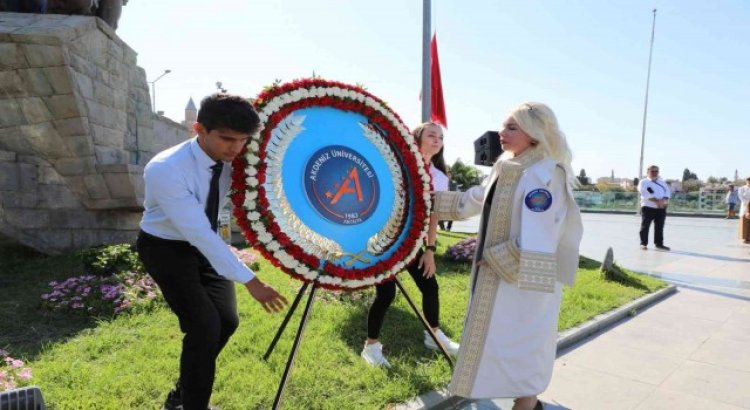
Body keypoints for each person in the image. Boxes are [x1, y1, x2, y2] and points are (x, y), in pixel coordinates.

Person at [136, 93, 289, 410]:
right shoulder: (165, 169)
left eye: (243, 140)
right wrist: (252, 281)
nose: (235, 148)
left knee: (227, 322)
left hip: (207, 247)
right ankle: (193, 404)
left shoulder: (238, 160)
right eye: (227, 139)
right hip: (166, 248)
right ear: (198, 129)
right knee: (204, 326)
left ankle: (183, 390)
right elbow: (197, 233)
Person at [431, 102, 582, 410]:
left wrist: (504, 257)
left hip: (526, 282)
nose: (502, 133)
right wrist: (428, 201)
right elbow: (475, 198)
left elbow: (546, 230)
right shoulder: (507, 166)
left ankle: (526, 402)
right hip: (498, 277)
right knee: (500, 342)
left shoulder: (545, 174)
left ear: (535, 133)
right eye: (503, 126)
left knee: (524, 343)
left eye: (512, 127)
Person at [360, 122, 460, 367]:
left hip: (414, 242)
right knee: (386, 293)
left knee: (430, 286)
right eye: (431, 135)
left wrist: (429, 250)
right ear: (417, 139)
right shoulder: (399, 167)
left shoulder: (439, 177)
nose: (437, 140)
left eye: (440, 137)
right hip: (386, 241)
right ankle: (371, 347)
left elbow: (433, 216)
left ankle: (433, 335)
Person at [637, 165, 671, 251]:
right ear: (648, 172)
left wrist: (664, 200)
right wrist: (657, 201)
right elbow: (644, 193)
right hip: (648, 207)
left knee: (659, 226)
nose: (654, 173)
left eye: (656, 171)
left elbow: (667, 192)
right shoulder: (643, 182)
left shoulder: (662, 182)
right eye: (652, 171)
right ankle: (643, 244)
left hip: (661, 207)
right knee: (645, 226)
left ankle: (659, 244)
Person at [739, 177, 750, 244]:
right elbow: (740, 196)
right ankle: (745, 238)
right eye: (748, 180)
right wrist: (746, 202)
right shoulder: (742, 188)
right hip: (745, 204)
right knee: (745, 221)